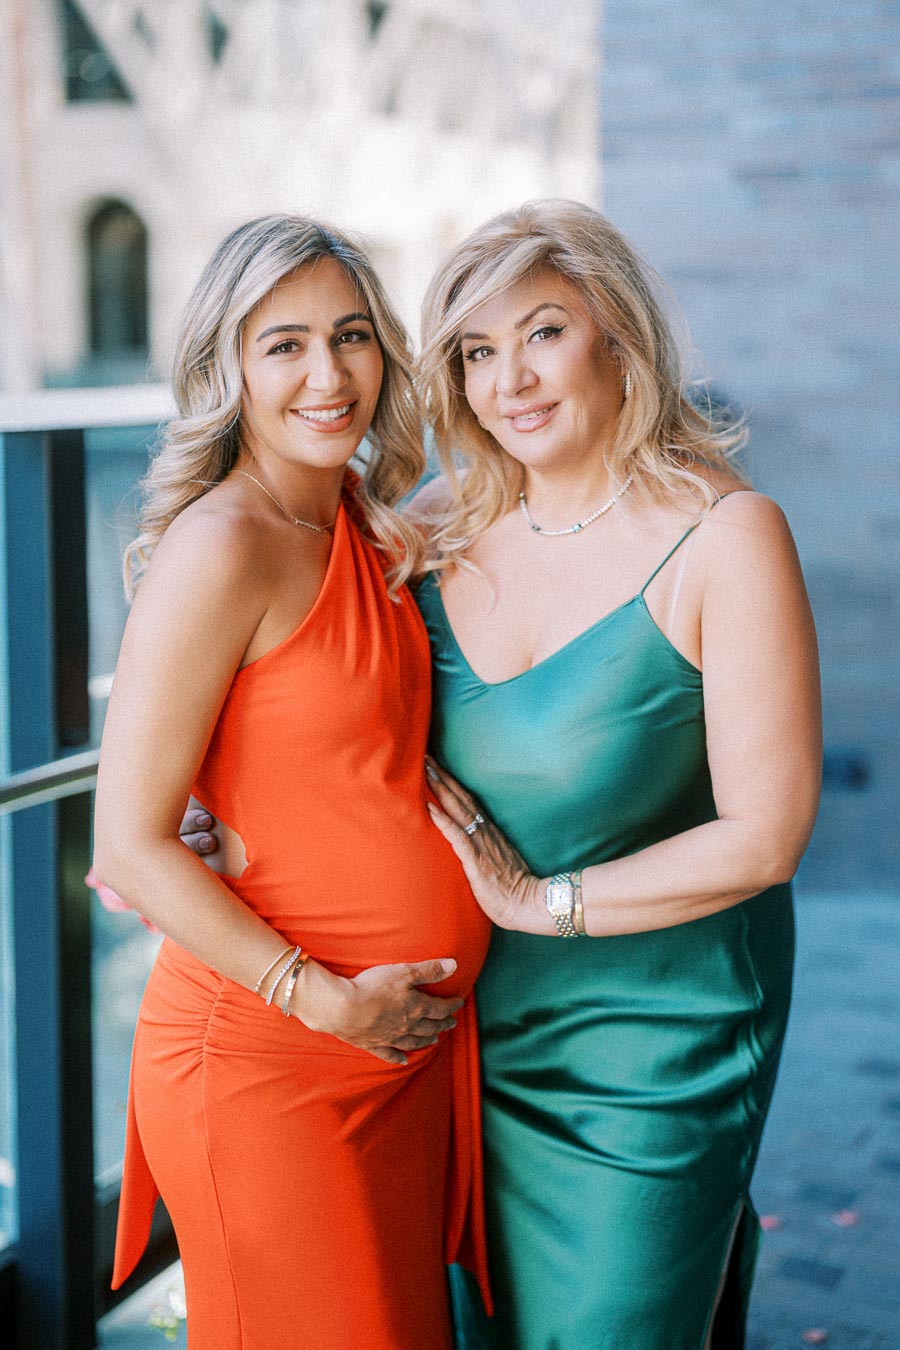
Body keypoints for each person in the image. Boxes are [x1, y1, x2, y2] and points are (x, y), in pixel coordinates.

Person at [410, 200, 822, 1349]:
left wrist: (544, 903)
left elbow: (767, 835)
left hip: (661, 1044)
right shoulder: (429, 536)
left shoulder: (727, 536)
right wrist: (221, 819)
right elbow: (328, 721)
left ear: (620, 337)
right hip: (467, 1033)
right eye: (477, 353)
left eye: (542, 332)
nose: (512, 381)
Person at [92, 214, 493, 1350]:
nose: (330, 375)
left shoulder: (369, 526)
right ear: (231, 368)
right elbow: (128, 845)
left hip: (393, 1057)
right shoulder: (223, 546)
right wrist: (323, 998)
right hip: (272, 1062)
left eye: (354, 336)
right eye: (286, 345)